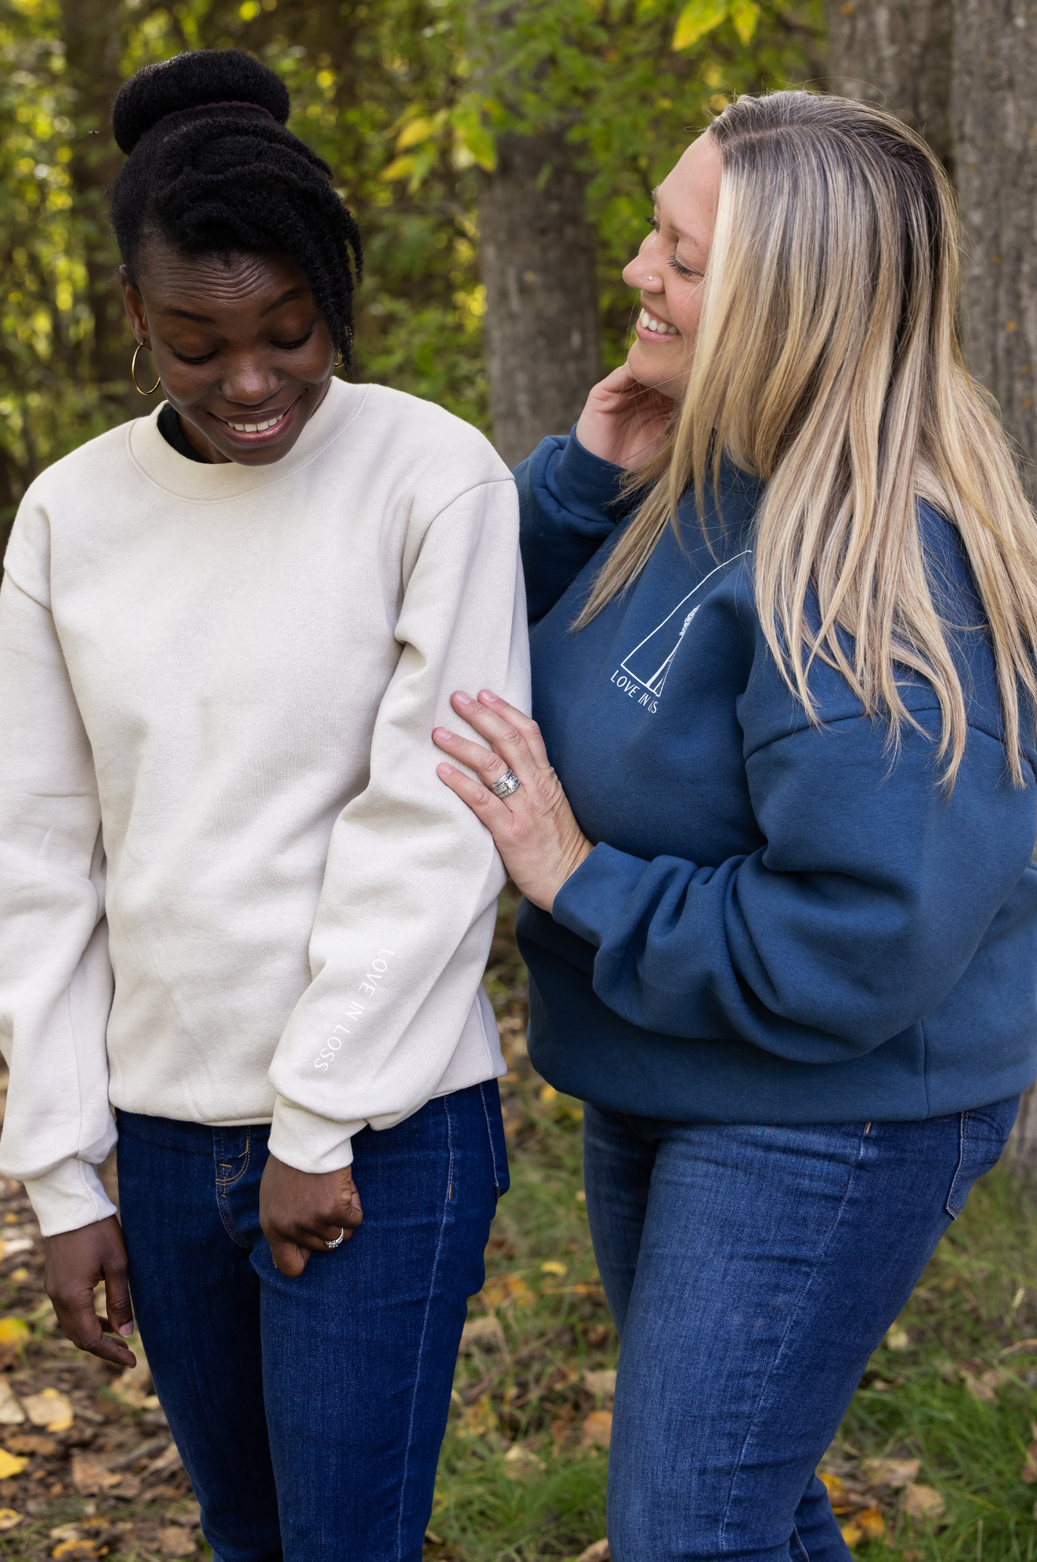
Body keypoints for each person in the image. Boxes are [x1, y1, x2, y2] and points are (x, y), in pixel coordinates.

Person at [432, 90, 1037, 1561]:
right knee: (740, 1497)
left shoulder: (882, 566)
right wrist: (579, 487)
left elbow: (857, 938)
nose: (640, 270)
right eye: (657, 230)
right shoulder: (705, 464)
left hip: (825, 1108)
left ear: (789, 303)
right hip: (676, 1068)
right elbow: (467, 651)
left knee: (692, 1524)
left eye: (684, 257)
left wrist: (580, 881)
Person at [0, 48, 528, 1562]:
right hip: (159, 1138)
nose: (252, 382)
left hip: (385, 1124)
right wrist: (63, 1171)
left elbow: (435, 817)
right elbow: (36, 850)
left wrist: (319, 1119)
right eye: (195, 343)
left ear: (332, 297)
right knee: (247, 1537)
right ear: (134, 318)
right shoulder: (71, 514)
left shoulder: (433, 479)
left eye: (291, 332)